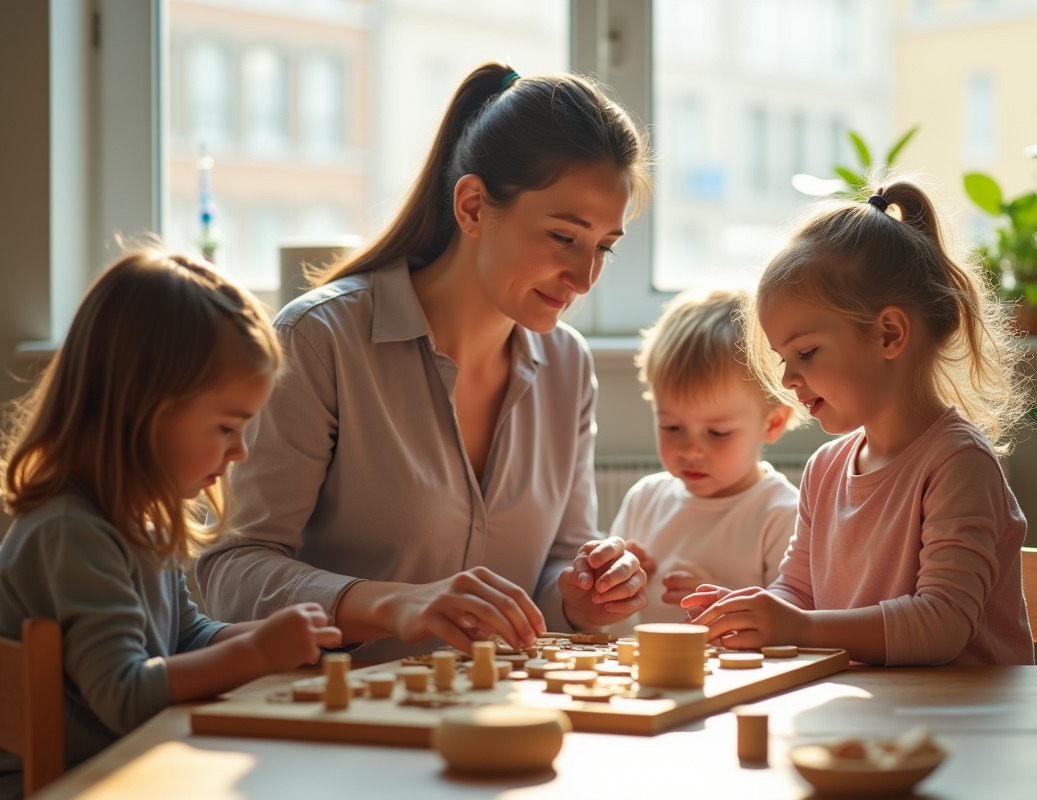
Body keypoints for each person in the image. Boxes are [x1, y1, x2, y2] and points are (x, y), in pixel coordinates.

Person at [197, 61, 654, 661]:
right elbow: (226, 575)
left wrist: (580, 598)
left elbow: (554, 571)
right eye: (564, 237)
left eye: (604, 249)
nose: (585, 277)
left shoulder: (567, 364)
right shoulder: (320, 340)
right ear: (471, 207)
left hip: (494, 717)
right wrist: (391, 602)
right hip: (333, 720)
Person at [0, 248, 342, 798]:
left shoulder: (139, 520)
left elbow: (183, 638)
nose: (241, 452)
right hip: (74, 783)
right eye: (227, 427)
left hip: (129, 765)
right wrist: (256, 655)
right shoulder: (72, 532)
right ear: (148, 412)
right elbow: (125, 695)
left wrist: (268, 636)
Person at [682, 181, 1036, 666]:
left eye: (805, 352)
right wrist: (752, 613)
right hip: (878, 714)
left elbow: (943, 622)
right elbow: (799, 592)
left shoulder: (957, 464)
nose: (787, 377)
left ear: (889, 334)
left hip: (964, 724)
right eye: (784, 357)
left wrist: (799, 627)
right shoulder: (825, 468)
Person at [604, 288, 798, 635]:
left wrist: (724, 605)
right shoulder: (645, 500)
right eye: (672, 426)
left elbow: (793, 627)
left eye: (717, 432)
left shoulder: (780, 513)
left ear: (773, 423)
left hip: (744, 683)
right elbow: (613, 622)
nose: (690, 450)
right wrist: (618, 582)